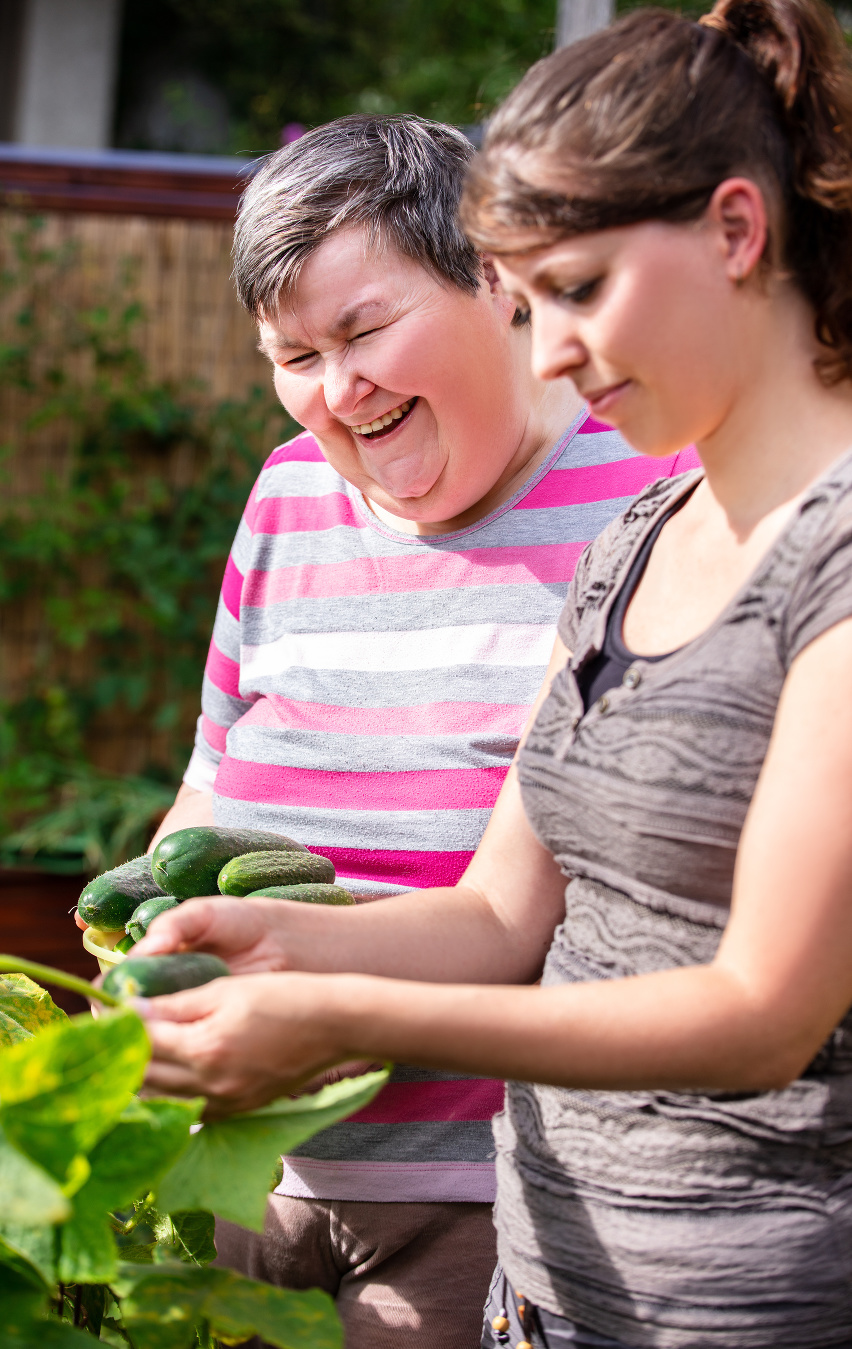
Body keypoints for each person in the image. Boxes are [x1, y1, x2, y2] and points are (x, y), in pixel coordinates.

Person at [125, 98, 784, 1344]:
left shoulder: (654, 501)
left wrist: (296, 981)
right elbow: (212, 782)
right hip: (248, 1176)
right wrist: (146, 940)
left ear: (496, 279)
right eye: (292, 353)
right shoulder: (285, 500)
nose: (337, 390)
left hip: (485, 1195)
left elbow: (549, 911)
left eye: (366, 327)